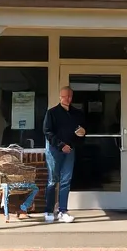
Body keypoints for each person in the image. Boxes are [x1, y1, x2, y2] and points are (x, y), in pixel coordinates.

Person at [42, 85, 86, 223]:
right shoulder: (52, 113)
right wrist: (61, 145)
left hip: (70, 150)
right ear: (60, 96)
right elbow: (47, 131)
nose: (67, 99)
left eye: (70, 96)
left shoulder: (77, 113)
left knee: (66, 181)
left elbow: (81, 131)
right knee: (52, 181)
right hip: (55, 150)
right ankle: (49, 211)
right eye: (65, 96)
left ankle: (63, 211)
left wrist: (82, 134)